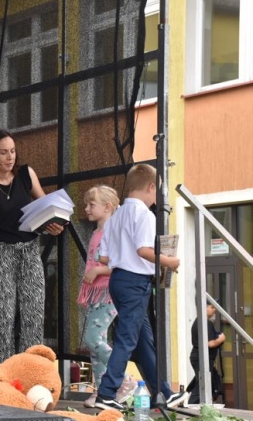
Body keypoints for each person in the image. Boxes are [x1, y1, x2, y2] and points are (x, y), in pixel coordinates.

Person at [93, 164, 187, 411]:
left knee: (143, 341)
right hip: (135, 283)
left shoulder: (116, 216)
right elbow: (143, 250)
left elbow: (104, 258)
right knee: (126, 339)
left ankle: (163, 393)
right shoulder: (145, 214)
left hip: (118, 281)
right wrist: (169, 261)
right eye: (158, 192)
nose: (157, 198)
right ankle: (106, 393)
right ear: (151, 187)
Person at [0, 129, 63, 367]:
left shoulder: (26, 174)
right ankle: (4, 376)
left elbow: (45, 205)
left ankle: (32, 371)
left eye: (12, 151)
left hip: (29, 250)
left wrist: (52, 222)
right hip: (0, 253)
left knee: (34, 314)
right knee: (2, 319)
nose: (10, 157)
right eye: (3, 152)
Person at [77, 185, 137, 408]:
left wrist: (98, 271)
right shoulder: (96, 232)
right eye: (86, 205)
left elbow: (122, 262)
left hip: (108, 292)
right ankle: (103, 391)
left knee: (93, 339)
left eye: (91, 205)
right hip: (96, 293)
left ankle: (124, 379)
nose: (86, 209)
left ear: (107, 207)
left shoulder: (115, 232)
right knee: (95, 346)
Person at [187, 299, 225, 405]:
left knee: (211, 381)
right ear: (204, 307)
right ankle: (190, 407)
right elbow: (210, 343)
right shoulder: (205, 323)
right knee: (202, 384)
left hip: (201, 357)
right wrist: (221, 339)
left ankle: (206, 405)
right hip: (202, 358)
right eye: (212, 307)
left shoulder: (200, 321)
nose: (214, 310)